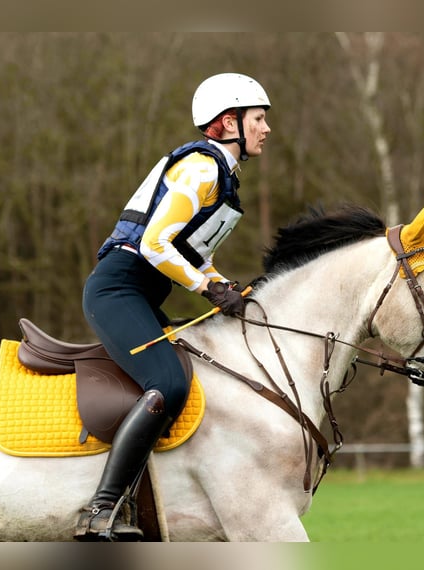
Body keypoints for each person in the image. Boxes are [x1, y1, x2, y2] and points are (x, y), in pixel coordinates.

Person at [74, 73, 271, 541]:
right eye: (259, 119)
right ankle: (100, 510)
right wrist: (207, 288)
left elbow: (195, 253)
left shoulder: (219, 176)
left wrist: (227, 288)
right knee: (166, 383)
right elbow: (155, 244)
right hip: (119, 291)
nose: (266, 129)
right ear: (229, 123)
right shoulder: (202, 169)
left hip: (139, 294)